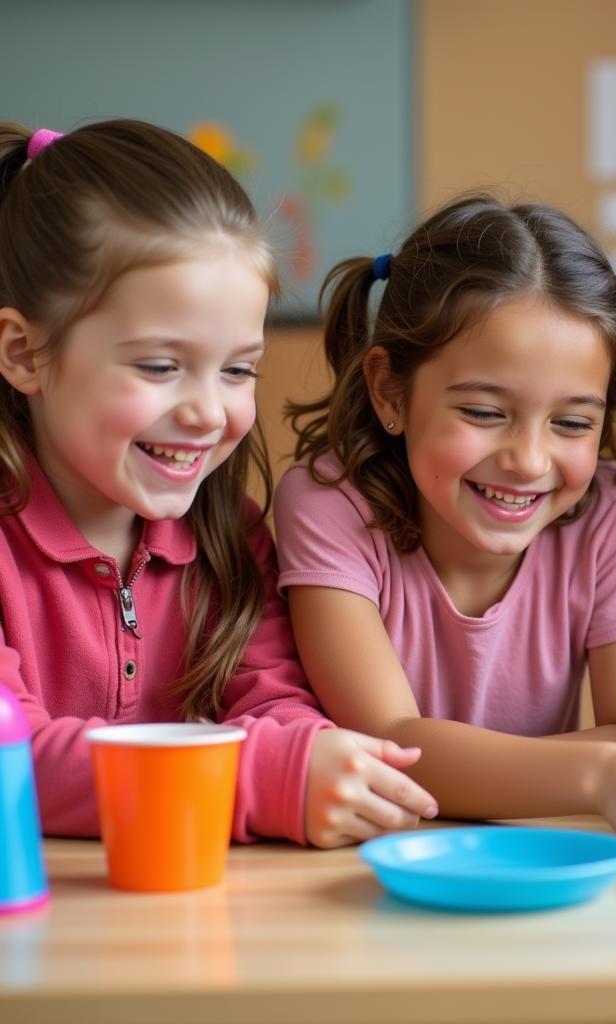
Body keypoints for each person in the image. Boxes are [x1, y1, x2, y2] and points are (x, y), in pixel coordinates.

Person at [273, 194, 616, 865]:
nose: (529, 461)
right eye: (486, 412)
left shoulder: (608, 510)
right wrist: (599, 773)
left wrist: (592, 766)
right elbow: (387, 743)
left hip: (539, 861)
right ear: (390, 391)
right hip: (360, 868)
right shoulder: (328, 503)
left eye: (572, 423)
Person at [0, 120, 437, 848]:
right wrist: (258, 779)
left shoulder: (229, 533)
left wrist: (317, 759)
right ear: (24, 353)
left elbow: (274, 700)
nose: (209, 411)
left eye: (238, 370)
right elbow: (14, 761)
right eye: (159, 366)